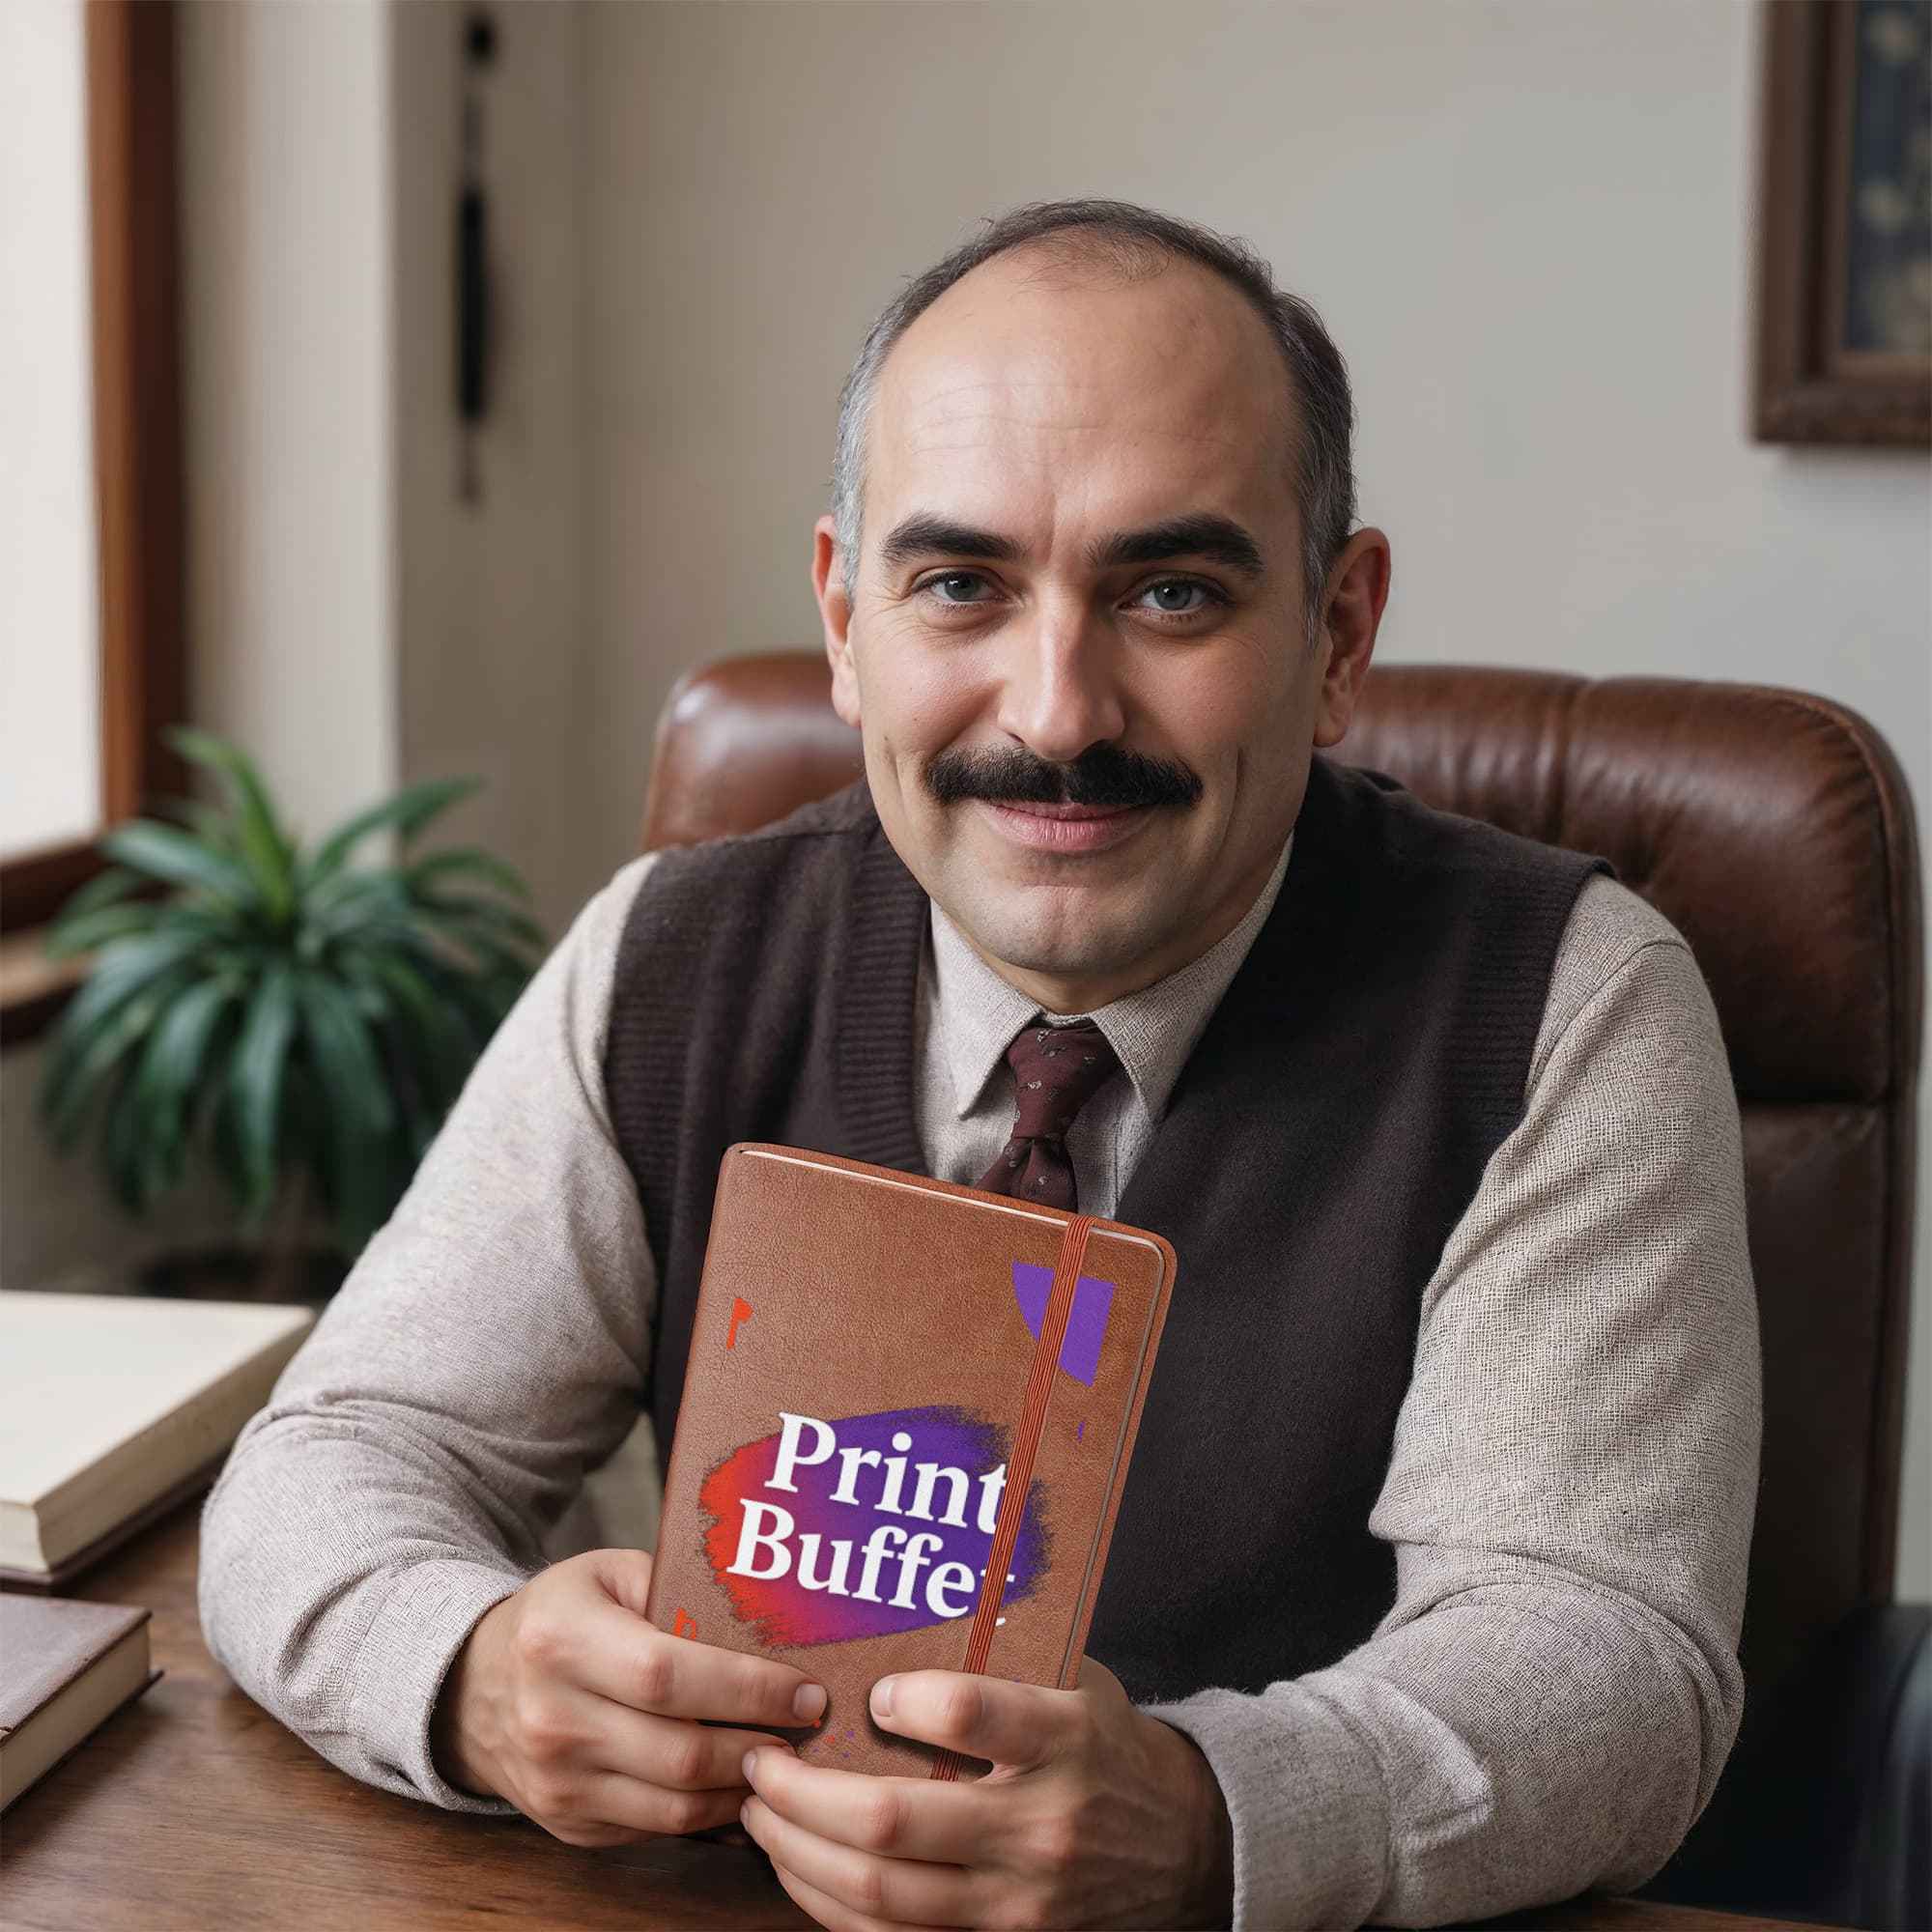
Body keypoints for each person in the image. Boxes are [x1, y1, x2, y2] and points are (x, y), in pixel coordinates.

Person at [198, 199, 1760, 1930]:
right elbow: (328, 1468)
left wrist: (1211, 1819)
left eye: (1172, 590)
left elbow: (1608, 1658)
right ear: (845, 619)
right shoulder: (670, 954)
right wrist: (472, 1670)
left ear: (1337, 631)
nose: (1058, 710)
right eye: (960, 584)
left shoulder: (1563, 999)